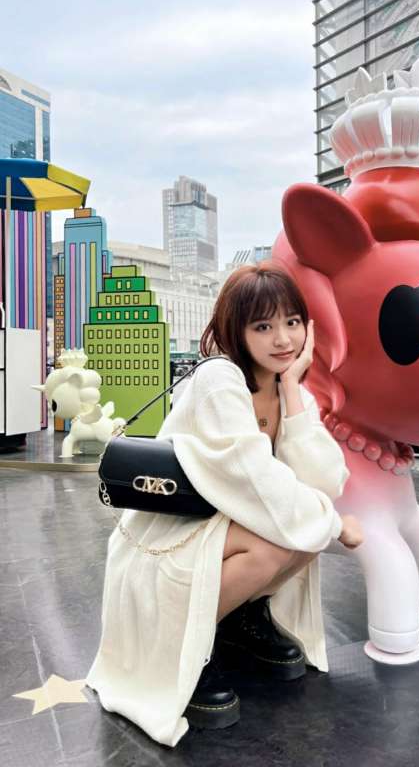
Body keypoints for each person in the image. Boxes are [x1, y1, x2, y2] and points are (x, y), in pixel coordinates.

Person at [87, 264, 363, 747]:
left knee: (302, 534)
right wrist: (334, 522)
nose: (283, 339)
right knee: (280, 540)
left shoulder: (290, 388)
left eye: (292, 322)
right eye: (263, 326)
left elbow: (324, 481)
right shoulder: (219, 378)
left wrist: (292, 389)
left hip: (227, 525)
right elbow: (254, 480)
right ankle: (185, 647)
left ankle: (238, 619)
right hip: (171, 532)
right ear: (237, 330)